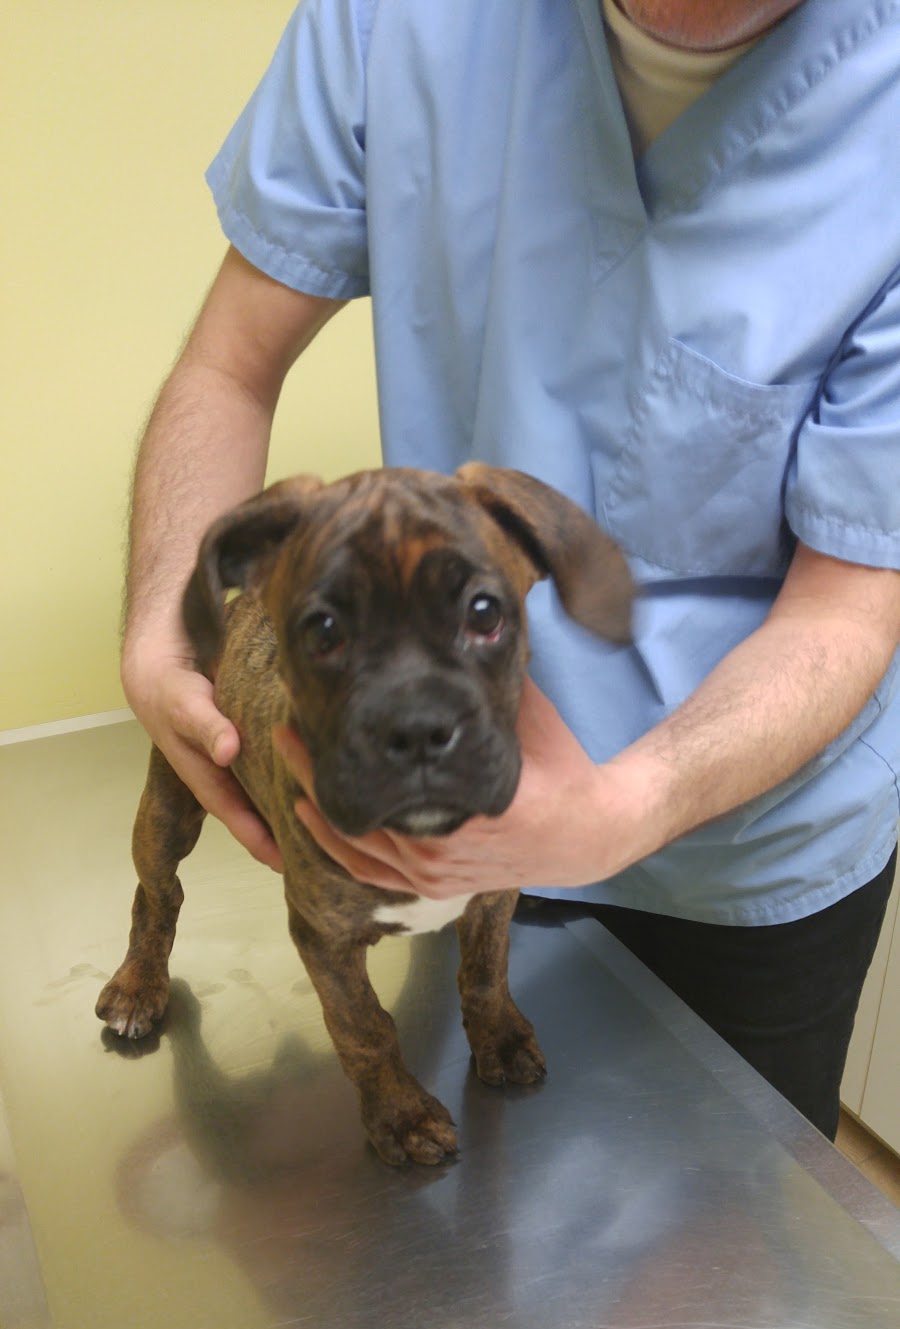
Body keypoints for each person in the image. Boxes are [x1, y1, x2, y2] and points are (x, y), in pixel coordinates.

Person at [121, 0, 900, 1140]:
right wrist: (165, 625)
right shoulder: (390, 22)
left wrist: (624, 807)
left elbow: (854, 601)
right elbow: (230, 366)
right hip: (420, 824)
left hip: (749, 849)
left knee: (737, 1229)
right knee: (477, 1207)